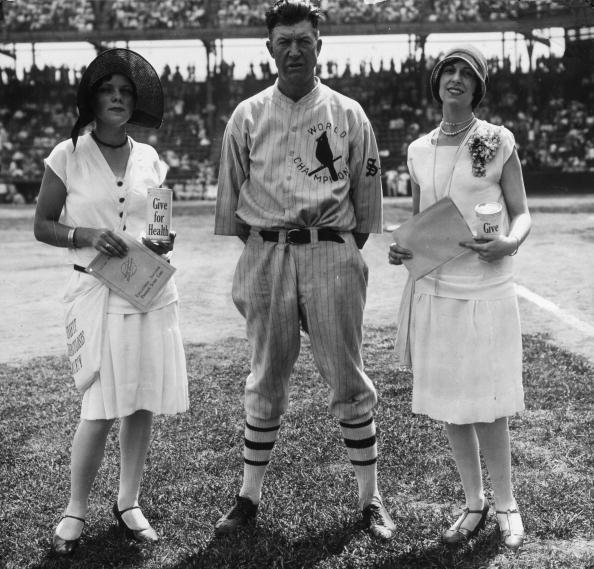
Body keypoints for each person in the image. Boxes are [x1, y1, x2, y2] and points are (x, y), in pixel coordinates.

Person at [214, 0, 394, 540]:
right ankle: (247, 499)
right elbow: (233, 209)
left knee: (347, 376)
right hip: (266, 252)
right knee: (265, 375)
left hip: (332, 252)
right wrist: (273, 242)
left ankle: (371, 500)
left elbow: (366, 212)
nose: (295, 49)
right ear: (269, 47)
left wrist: (330, 246)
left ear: (320, 45)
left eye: (304, 40)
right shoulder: (246, 115)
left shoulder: (348, 114)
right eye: (284, 40)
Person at [34, 48, 189, 555]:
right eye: (108, 91)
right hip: (96, 291)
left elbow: (157, 225)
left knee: (140, 399)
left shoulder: (150, 158)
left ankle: (128, 501)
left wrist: (163, 242)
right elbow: (43, 225)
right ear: (93, 100)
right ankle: (75, 509)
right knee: (98, 407)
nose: (118, 98)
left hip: (147, 289)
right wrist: (84, 232)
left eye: (125, 92)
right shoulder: (67, 155)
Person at [389, 45, 531, 552]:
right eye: (448, 70)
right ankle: (474, 502)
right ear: (437, 82)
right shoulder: (417, 149)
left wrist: (509, 243)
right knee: (453, 404)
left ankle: (507, 504)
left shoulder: (497, 140)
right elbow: (420, 224)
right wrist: (402, 251)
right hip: (437, 288)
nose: (455, 78)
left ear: (477, 87)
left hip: (488, 287)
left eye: (465, 73)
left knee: (490, 400)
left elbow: (521, 212)